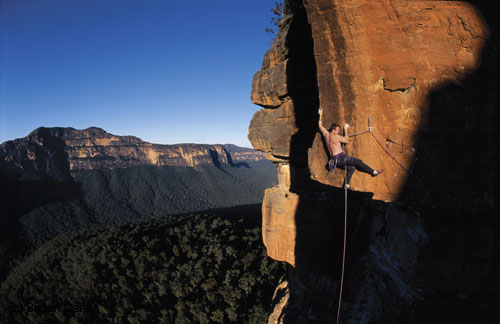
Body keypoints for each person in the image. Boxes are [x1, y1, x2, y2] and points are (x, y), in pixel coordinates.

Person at [318, 108, 383, 189]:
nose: (339, 131)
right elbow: (346, 141)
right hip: (340, 158)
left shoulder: (326, 134)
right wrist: (346, 129)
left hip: (334, 161)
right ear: (334, 130)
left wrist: (320, 115)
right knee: (358, 161)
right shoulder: (336, 136)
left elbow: (320, 126)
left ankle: (346, 185)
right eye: (338, 130)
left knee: (351, 169)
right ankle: (374, 172)